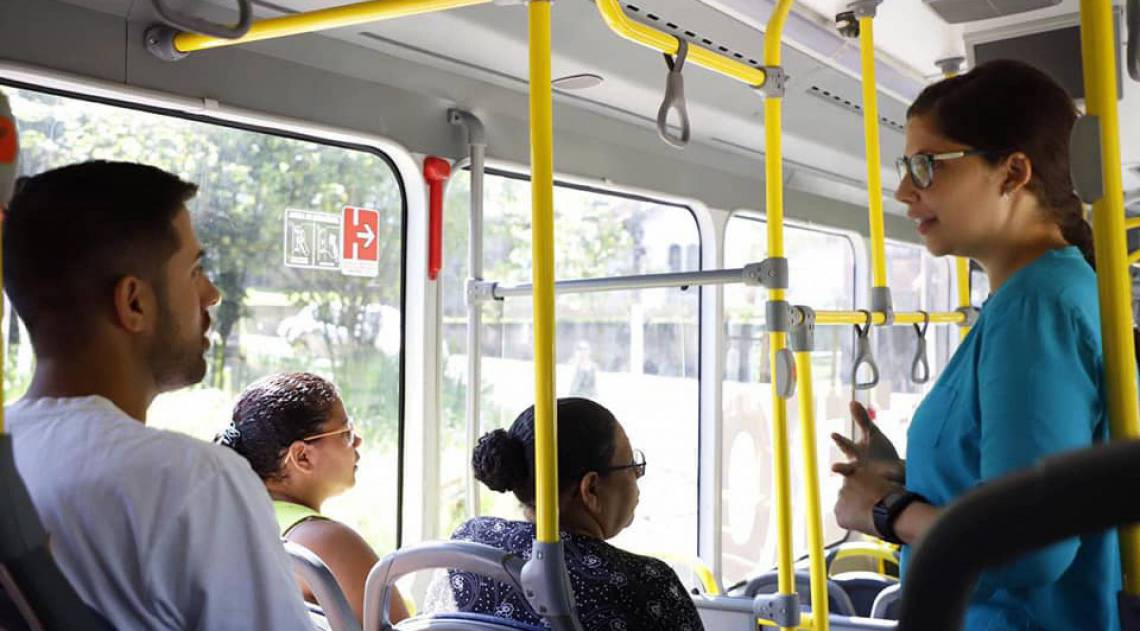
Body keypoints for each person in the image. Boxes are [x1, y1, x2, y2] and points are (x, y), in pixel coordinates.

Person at [831, 60, 1120, 630]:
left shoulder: (1037, 307)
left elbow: (1028, 547)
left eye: (926, 166)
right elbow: (1016, 486)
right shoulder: (1037, 297)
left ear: (1012, 173)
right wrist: (913, 477)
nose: (904, 190)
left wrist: (886, 511)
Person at [3, 161, 313, 629]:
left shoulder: (12, 454)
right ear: (134, 303)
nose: (211, 295)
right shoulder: (195, 481)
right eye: (194, 270)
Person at [447, 397, 704, 631]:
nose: (637, 475)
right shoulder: (646, 584)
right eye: (631, 466)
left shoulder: (469, 543)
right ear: (591, 488)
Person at [216, 371, 410, 624]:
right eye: (346, 432)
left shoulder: (226, 523)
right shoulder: (327, 542)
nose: (358, 440)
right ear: (302, 457)